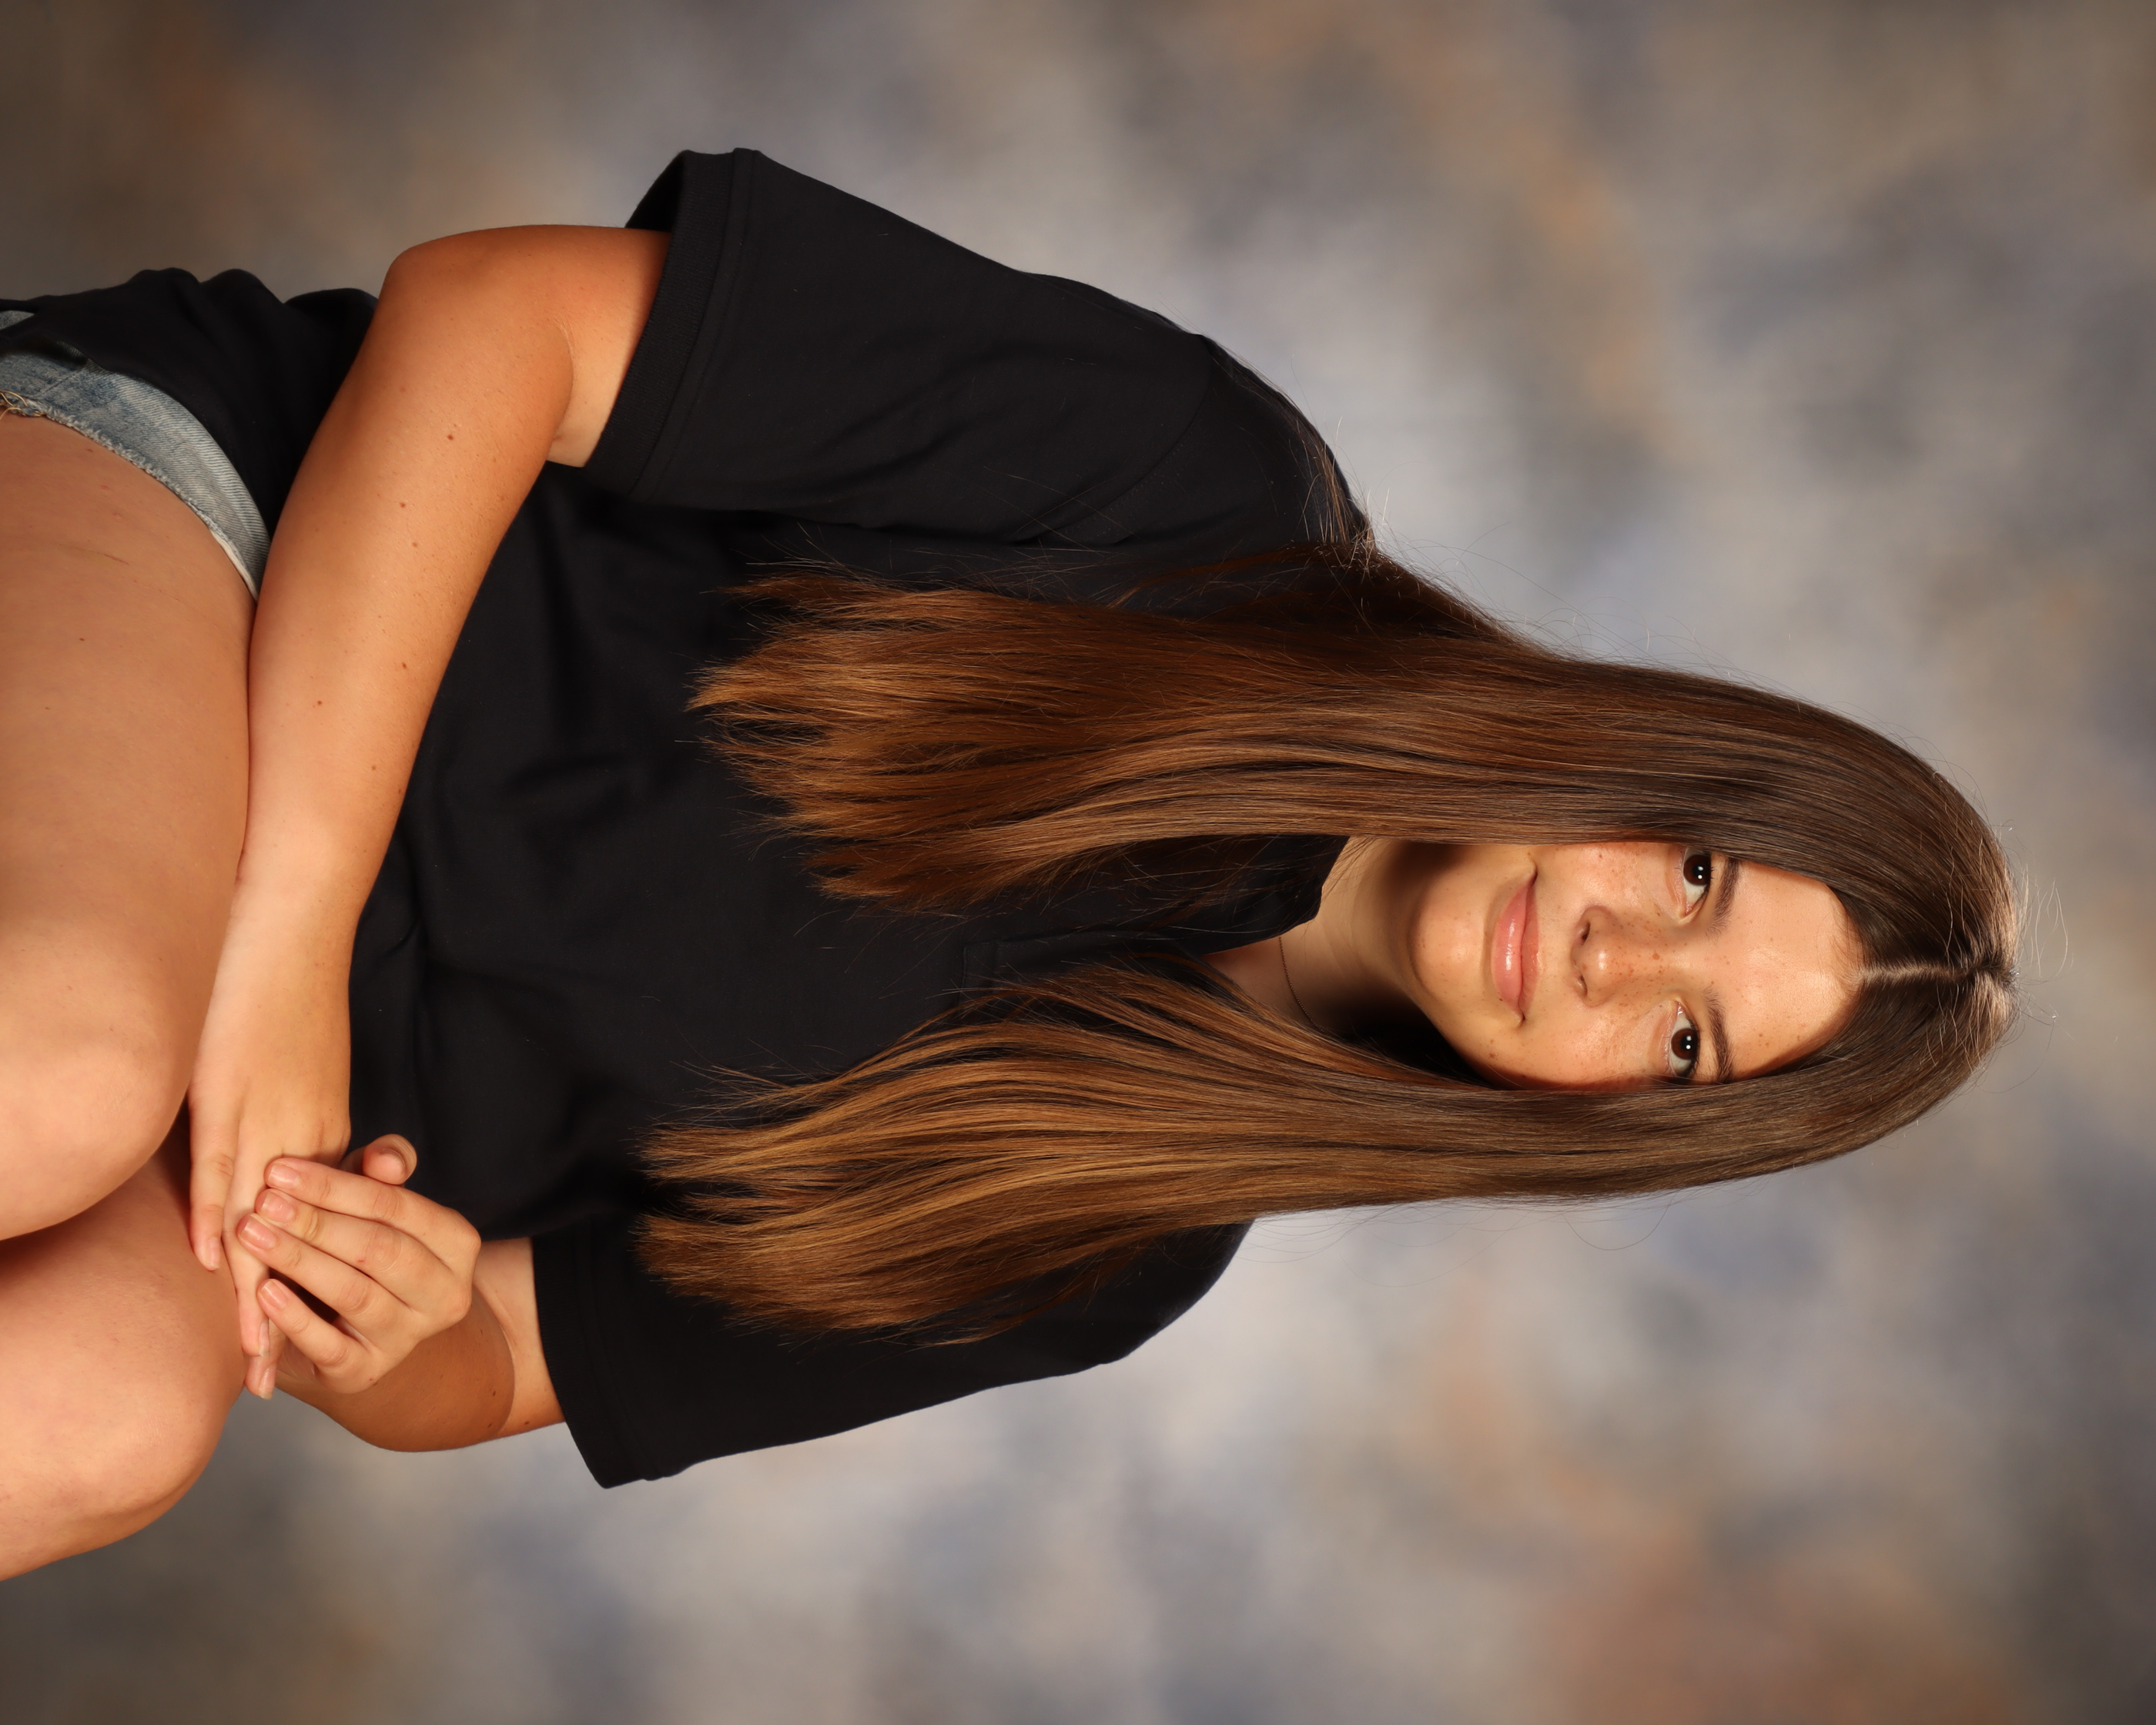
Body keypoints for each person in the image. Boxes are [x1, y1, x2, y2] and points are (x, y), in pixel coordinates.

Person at [0, 150, 2017, 1578]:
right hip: (217, 537)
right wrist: (289, 940)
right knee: (68, 1066)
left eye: (1684, 1044)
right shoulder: (1211, 506)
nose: (1610, 962)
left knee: (110, 1415)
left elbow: (515, 1358)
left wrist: (405, 1332)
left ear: (1627, 1129)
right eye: (1694, 876)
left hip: (256, 1103)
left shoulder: (1118, 1241)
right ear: (1653, 749)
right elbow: (490, 318)